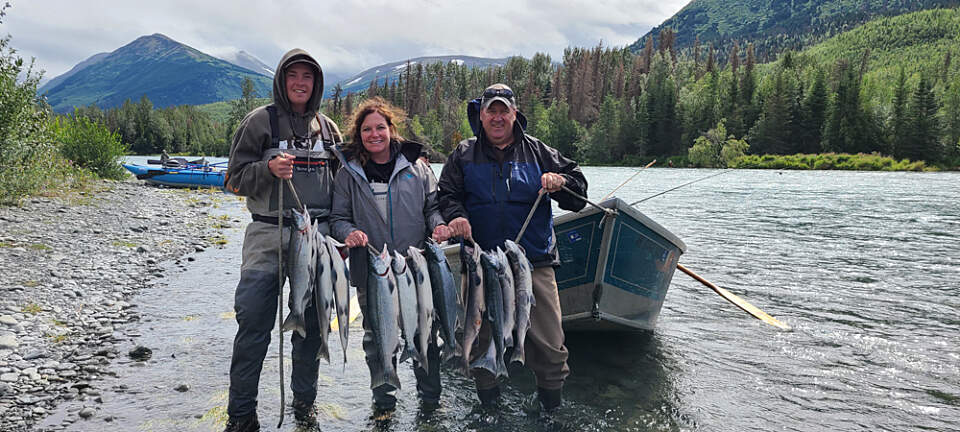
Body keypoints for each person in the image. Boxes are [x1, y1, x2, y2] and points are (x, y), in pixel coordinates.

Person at [437, 83, 587, 412]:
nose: (498, 117)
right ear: (481, 114)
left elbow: (578, 194)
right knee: (478, 342)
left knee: (550, 347)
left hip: (532, 263)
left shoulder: (538, 152)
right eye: (492, 110)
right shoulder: (463, 154)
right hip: (480, 265)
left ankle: (550, 409)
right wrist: (457, 217)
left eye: (504, 110)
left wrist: (561, 183)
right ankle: (489, 409)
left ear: (515, 114)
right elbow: (446, 196)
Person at [222, 49, 343, 432]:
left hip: (317, 239)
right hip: (266, 234)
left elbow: (345, 189)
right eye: (294, 75)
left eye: (308, 76)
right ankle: (242, 416)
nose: (301, 82)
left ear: (316, 83)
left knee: (310, 330)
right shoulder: (259, 122)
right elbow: (233, 180)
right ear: (282, 79)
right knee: (253, 326)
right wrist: (267, 169)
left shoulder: (328, 129)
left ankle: (304, 410)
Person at [330, 96, 454, 412]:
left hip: (416, 269)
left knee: (424, 334)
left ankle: (430, 401)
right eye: (367, 129)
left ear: (391, 129)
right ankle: (384, 402)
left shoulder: (419, 169)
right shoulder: (347, 173)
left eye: (380, 128)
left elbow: (433, 209)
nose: (374, 134)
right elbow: (338, 219)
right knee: (377, 338)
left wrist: (439, 227)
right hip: (372, 269)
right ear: (359, 135)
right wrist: (348, 234)